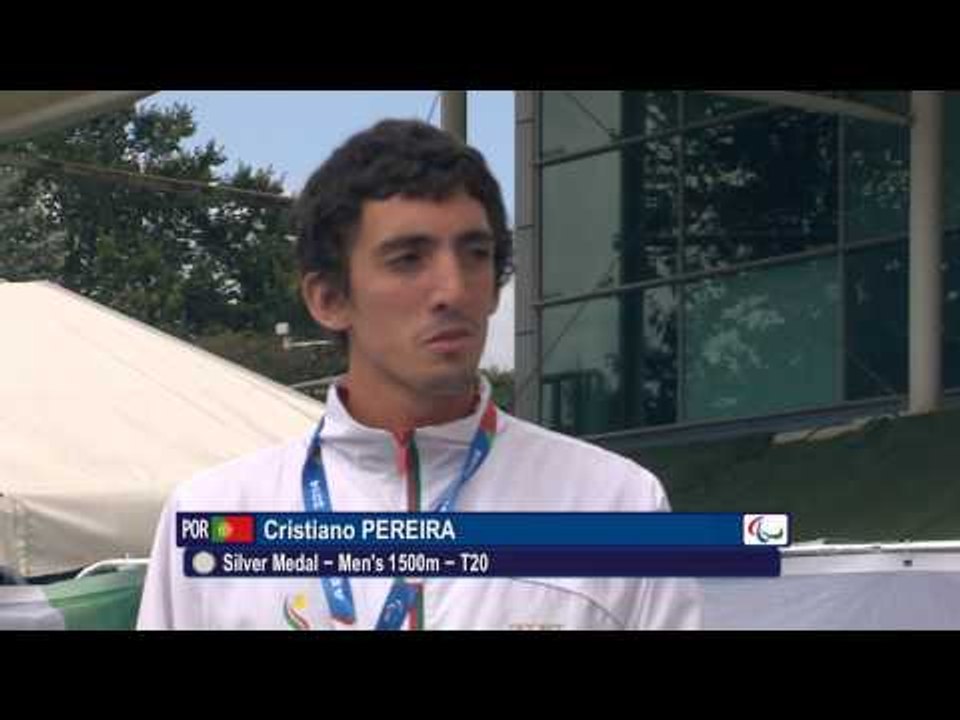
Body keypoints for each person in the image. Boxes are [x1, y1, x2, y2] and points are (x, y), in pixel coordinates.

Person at [137, 119, 702, 630]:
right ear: (329, 298)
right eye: (409, 258)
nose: (453, 290)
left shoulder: (615, 506)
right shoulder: (214, 517)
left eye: (475, 254)